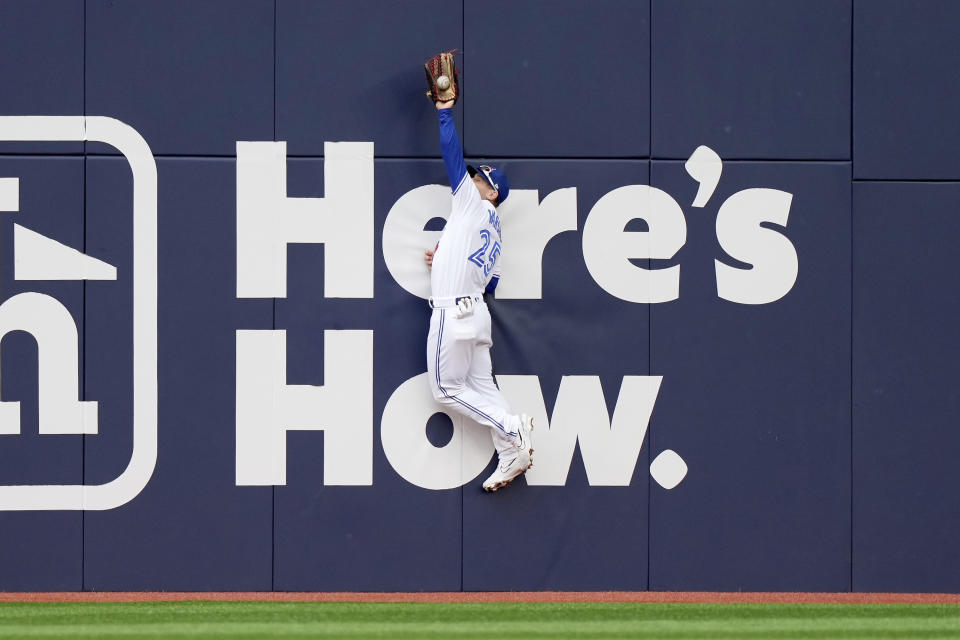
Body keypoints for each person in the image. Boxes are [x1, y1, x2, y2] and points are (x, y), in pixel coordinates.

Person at [424, 98, 534, 492]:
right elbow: (489, 284)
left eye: (479, 181)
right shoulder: (495, 232)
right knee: (484, 388)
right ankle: (511, 452)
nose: (471, 181)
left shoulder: (472, 205)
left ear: (491, 193)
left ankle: (510, 426)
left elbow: (452, 156)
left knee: (444, 389)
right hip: (477, 313)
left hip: (453, 314)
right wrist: (442, 261)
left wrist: (444, 111)